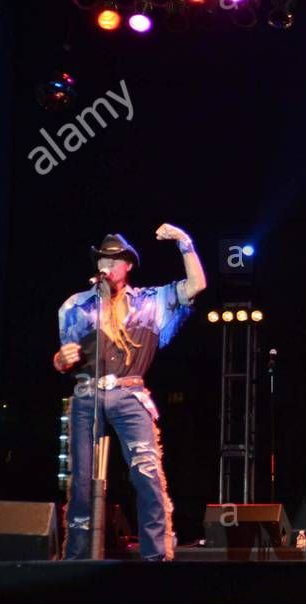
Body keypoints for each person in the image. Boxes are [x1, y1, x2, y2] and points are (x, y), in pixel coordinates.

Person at [53, 227, 207, 560]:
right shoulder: (75, 306)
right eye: (102, 260)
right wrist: (60, 360)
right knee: (81, 482)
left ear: (128, 265)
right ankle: (75, 559)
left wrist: (184, 243)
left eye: (113, 260)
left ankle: (155, 554)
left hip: (130, 393)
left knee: (146, 471)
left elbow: (195, 286)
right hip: (87, 395)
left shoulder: (150, 302)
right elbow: (63, 358)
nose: (106, 266)